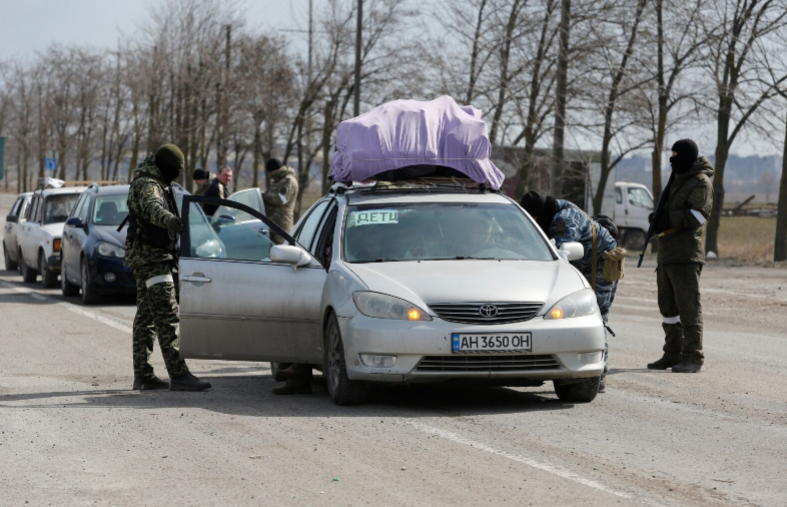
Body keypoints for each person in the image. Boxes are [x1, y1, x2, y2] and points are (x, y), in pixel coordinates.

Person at [124, 144, 211, 392]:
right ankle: (179, 374)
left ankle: (143, 375)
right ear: (166, 167)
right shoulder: (148, 185)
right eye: (176, 170)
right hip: (152, 260)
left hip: (150, 258)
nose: (177, 174)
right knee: (167, 316)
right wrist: (170, 220)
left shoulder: (155, 180)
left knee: (147, 317)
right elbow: (153, 208)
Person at [521, 191, 621, 393]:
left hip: (601, 266)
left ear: (537, 215)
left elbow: (562, 256)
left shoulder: (564, 219)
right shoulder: (559, 208)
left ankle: (598, 374)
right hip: (589, 264)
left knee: (597, 317)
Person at [647, 139, 713, 374]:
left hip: (686, 255)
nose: (672, 158)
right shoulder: (678, 177)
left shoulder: (700, 182)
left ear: (686, 156)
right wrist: (657, 218)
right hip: (667, 254)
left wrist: (668, 219)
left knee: (688, 307)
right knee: (668, 307)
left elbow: (698, 216)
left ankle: (693, 356)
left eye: (676, 154)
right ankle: (672, 352)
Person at [262, 158, 299, 245]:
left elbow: (280, 200)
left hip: (281, 228)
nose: (270, 175)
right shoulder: (278, 181)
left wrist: (263, 196)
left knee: (280, 254)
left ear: (276, 170)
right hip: (273, 226)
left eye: (271, 172)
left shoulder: (288, 181)